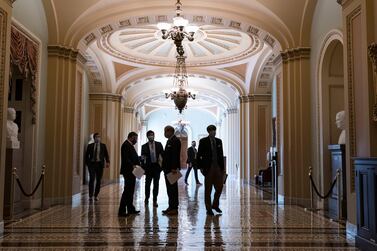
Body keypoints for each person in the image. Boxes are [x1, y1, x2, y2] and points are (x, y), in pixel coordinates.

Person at [197, 125, 225, 216]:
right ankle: (208, 208)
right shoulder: (203, 141)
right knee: (208, 189)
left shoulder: (219, 141)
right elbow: (199, 155)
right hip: (208, 167)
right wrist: (200, 167)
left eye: (214, 130)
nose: (214, 132)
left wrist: (223, 169)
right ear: (208, 131)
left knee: (220, 187)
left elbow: (221, 155)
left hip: (218, 167)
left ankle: (215, 205)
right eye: (212, 130)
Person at [118, 132, 140, 217]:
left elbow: (133, 157)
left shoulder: (130, 145)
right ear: (131, 137)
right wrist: (133, 165)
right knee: (127, 191)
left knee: (131, 191)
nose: (136, 140)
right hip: (128, 171)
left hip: (132, 171)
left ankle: (130, 209)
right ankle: (122, 211)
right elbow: (126, 159)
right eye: (135, 138)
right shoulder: (126, 145)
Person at [161, 125, 181, 216]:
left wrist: (174, 167)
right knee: (169, 189)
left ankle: (174, 208)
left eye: (165, 131)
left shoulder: (175, 141)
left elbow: (175, 155)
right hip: (167, 169)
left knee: (173, 189)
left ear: (170, 131)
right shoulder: (170, 140)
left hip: (171, 169)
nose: (164, 133)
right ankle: (171, 206)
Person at [141, 130, 164, 207]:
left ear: (154, 136)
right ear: (147, 136)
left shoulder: (159, 144)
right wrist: (143, 168)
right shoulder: (144, 146)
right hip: (148, 168)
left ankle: (155, 200)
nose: (151, 136)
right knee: (147, 185)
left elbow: (163, 155)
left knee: (156, 185)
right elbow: (142, 158)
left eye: (152, 135)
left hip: (157, 168)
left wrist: (162, 167)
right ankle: (146, 199)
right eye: (150, 135)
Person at [85, 133, 110, 201]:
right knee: (92, 179)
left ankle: (96, 195)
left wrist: (107, 162)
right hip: (92, 164)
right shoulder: (90, 146)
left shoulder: (103, 146)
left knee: (98, 180)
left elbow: (106, 155)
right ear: (94, 138)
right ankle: (90, 195)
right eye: (96, 137)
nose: (98, 138)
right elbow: (86, 156)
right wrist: (88, 163)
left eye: (99, 137)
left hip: (100, 165)